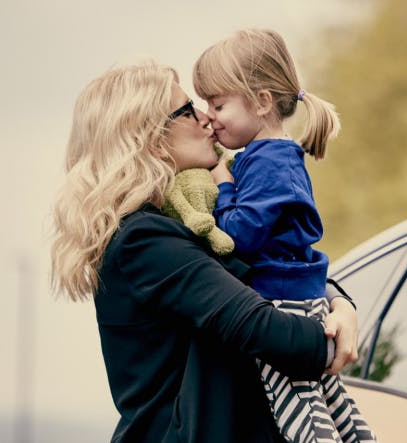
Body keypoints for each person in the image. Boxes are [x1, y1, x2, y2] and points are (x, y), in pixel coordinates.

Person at [49, 58, 360, 443]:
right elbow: (261, 328)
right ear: (147, 135)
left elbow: (272, 265)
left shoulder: (184, 218)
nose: (205, 117)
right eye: (186, 109)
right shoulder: (144, 240)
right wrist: (330, 341)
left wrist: (340, 303)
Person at [193, 29, 376, 443]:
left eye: (218, 104)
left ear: (260, 101)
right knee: (334, 406)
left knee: (300, 413)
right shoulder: (271, 156)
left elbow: (239, 235)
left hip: (283, 303)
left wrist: (221, 181)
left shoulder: (268, 162)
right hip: (300, 296)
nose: (209, 116)